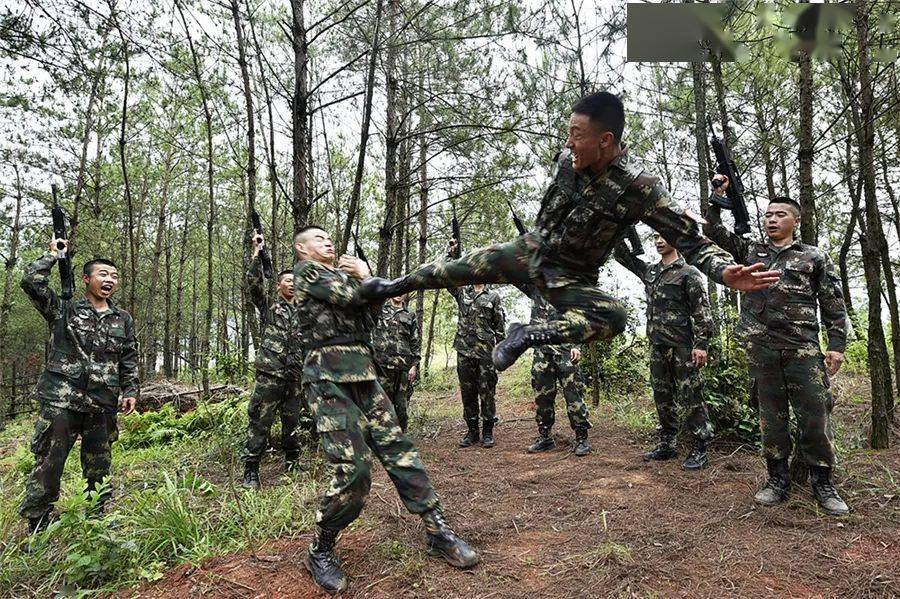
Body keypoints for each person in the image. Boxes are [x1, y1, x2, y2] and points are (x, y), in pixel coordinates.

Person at [358, 91, 779, 374]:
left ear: (606, 140)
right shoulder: (567, 160)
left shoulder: (641, 189)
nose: (569, 143)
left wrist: (725, 272)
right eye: (569, 134)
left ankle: (526, 336)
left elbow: (691, 240)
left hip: (572, 278)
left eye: (578, 136)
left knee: (614, 317)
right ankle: (387, 286)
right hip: (528, 252)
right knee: (451, 270)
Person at [292, 226, 478, 593]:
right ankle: (321, 548)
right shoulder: (307, 273)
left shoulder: (344, 275)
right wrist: (364, 276)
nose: (327, 241)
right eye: (317, 238)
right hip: (327, 376)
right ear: (301, 249)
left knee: (398, 450)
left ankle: (436, 529)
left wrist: (366, 282)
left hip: (363, 371)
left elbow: (369, 318)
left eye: (329, 237)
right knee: (354, 468)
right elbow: (348, 296)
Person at [704, 176, 849, 515]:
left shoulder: (813, 257)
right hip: (762, 349)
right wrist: (717, 196)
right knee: (771, 418)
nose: (771, 219)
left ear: (795, 221)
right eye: (768, 214)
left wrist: (837, 344)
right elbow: (712, 229)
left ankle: (823, 483)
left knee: (815, 417)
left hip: (803, 350)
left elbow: (833, 303)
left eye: (780, 214)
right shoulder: (750, 251)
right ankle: (777, 480)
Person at [19, 241, 138, 533]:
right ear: (87, 278)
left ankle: (96, 516)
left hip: (102, 403)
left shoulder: (122, 319)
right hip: (63, 400)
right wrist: (54, 254)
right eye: (102, 274)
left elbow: (129, 357)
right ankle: (37, 524)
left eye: (114, 275)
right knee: (50, 462)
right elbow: (30, 282)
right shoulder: (64, 309)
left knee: (99, 464)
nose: (109, 279)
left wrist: (131, 390)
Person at [615, 234, 714, 470]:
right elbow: (621, 255)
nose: (659, 241)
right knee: (663, 395)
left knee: (691, 396)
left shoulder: (689, 272)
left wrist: (701, 344)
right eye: (656, 237)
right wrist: (620, 226)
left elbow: (702, 311)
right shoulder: (650, 271)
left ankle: (700, 446)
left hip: (682, 346)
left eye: (664, 236)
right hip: (657, 344)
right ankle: (668, 442)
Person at [240, 235, 312, 490]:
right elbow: (253, 285)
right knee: (260, 422)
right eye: (288, 281)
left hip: (295, 376)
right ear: (279, 285)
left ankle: (292, 461)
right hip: (270, 375)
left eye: (296, 281)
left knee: (292, 420)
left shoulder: (305, 311)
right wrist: (256, 254)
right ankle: (250, 470)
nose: (293, 284)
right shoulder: (270, 307)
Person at [444, 239, 506, 447]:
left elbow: (499, 328)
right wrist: (451, 254)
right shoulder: (463, 292)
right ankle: (472, 432)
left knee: (487, 392)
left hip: (486, 353)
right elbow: (448, 274)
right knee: (467, 393)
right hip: (464, 351)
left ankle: (488, 431)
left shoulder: (494, 297)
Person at [522, 285, 591, 456]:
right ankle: (545, 437)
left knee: (573, 395)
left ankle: (581, 438)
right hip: (542, 352)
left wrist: (576, 346)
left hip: (566, 351)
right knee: (542, 396)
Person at [372, 293, 420, 433]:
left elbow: (414, 341)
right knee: (383, 403)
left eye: (402, 292)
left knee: (401, 404)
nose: (399, 295)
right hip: (383, 365)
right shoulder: (380, 310)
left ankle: (400, 436)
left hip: (403, 367)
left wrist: (414, 366)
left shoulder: (410, 314)